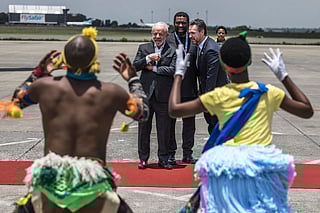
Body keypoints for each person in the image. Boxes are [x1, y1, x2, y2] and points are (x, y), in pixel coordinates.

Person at [169, 33, 313, 212]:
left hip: (228, 167)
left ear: (223, 64)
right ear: (249, 61)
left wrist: (178, 73)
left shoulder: (218, 96)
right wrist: (283, 75)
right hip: (260, 165)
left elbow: (174, 110)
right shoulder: (267, 92)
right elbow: (306, 110)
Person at [12, 27, 149, 213]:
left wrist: (38, 72)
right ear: (94, 61)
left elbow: (16, 101)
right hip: (91, 183)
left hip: (50, 181)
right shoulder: (110, 92)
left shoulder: (44, 86)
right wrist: (133, 77)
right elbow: (143, 112)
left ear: (64, 61)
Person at [133, 22, 176, 169]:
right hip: (145, 95)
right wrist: (147, 58)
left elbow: (173, 70)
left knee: (164, 130)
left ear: (166, 35)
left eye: (160, 34)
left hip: (163, 96)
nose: (157, 36)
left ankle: (163, 159)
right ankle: (143, 158)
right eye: (155, 33)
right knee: (143, 129)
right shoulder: (143, 48)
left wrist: (154, 68)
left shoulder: (173, 50)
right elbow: (135, 66)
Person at [166, 11, 198, 164]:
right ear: (174, 23)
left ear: (188, 23)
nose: (180, 25)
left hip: (190, 87)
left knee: (189, 125)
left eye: (183, 22)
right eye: (177, 22)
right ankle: (171, 153)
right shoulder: (168, 39)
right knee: (170, 124)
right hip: (172, 89)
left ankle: (187, 153)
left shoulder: (193, 40)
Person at [189, 18, 229, 134]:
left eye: (192, 33)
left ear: (202, 32)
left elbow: (211, 78)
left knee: (217, 127)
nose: (190, 36)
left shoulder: (211, 49)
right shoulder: (201, 46)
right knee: (212, 126)